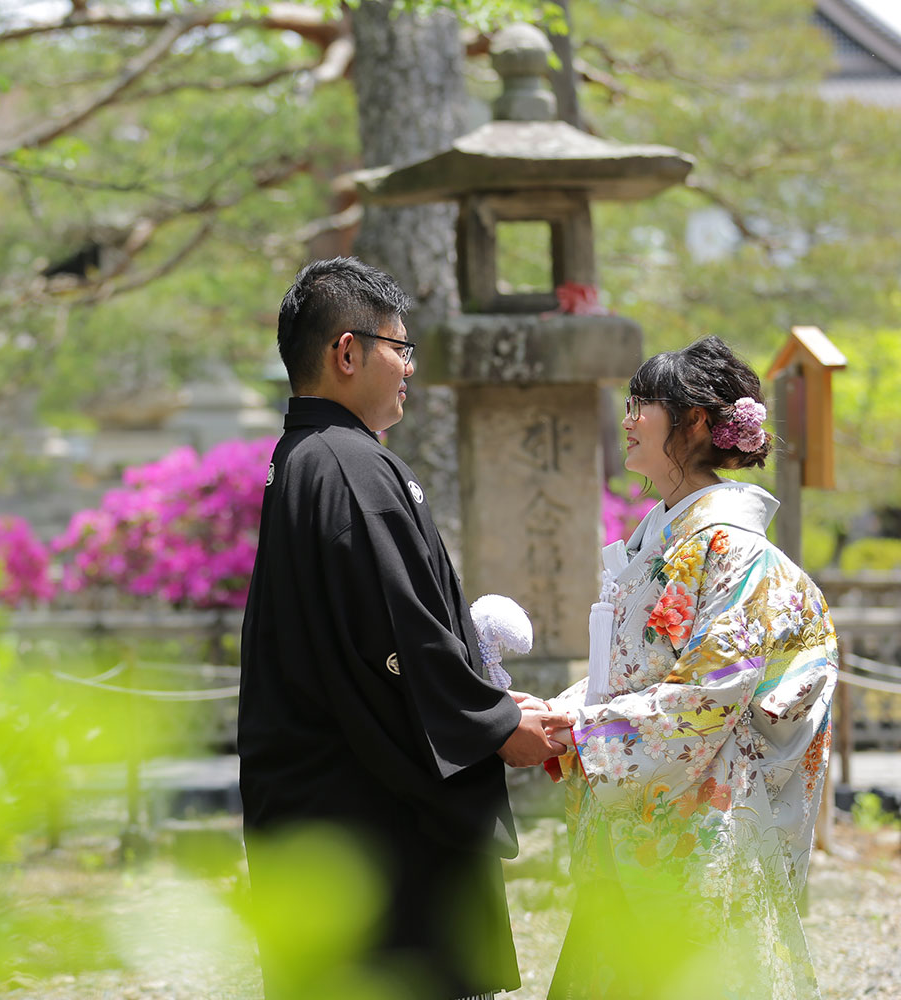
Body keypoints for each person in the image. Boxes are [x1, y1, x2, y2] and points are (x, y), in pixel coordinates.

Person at [238, 256, 572, 1000]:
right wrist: (491, 725)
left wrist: (489, 706)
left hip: (318, 810)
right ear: (347, 352)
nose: (409, 369)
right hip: (368, 825)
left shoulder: (306, 459)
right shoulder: (348, 465)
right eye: (400, 347)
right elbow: (396, 639)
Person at [545, 336, 838, 1000]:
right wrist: (562, 712)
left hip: (702, 830)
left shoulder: (731, 550)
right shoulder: (669, 539)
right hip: (650, 814)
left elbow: (705, 698)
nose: (627, 418)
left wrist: (585, 729)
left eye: (643, 403)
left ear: (700, 422)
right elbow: (634, 674)